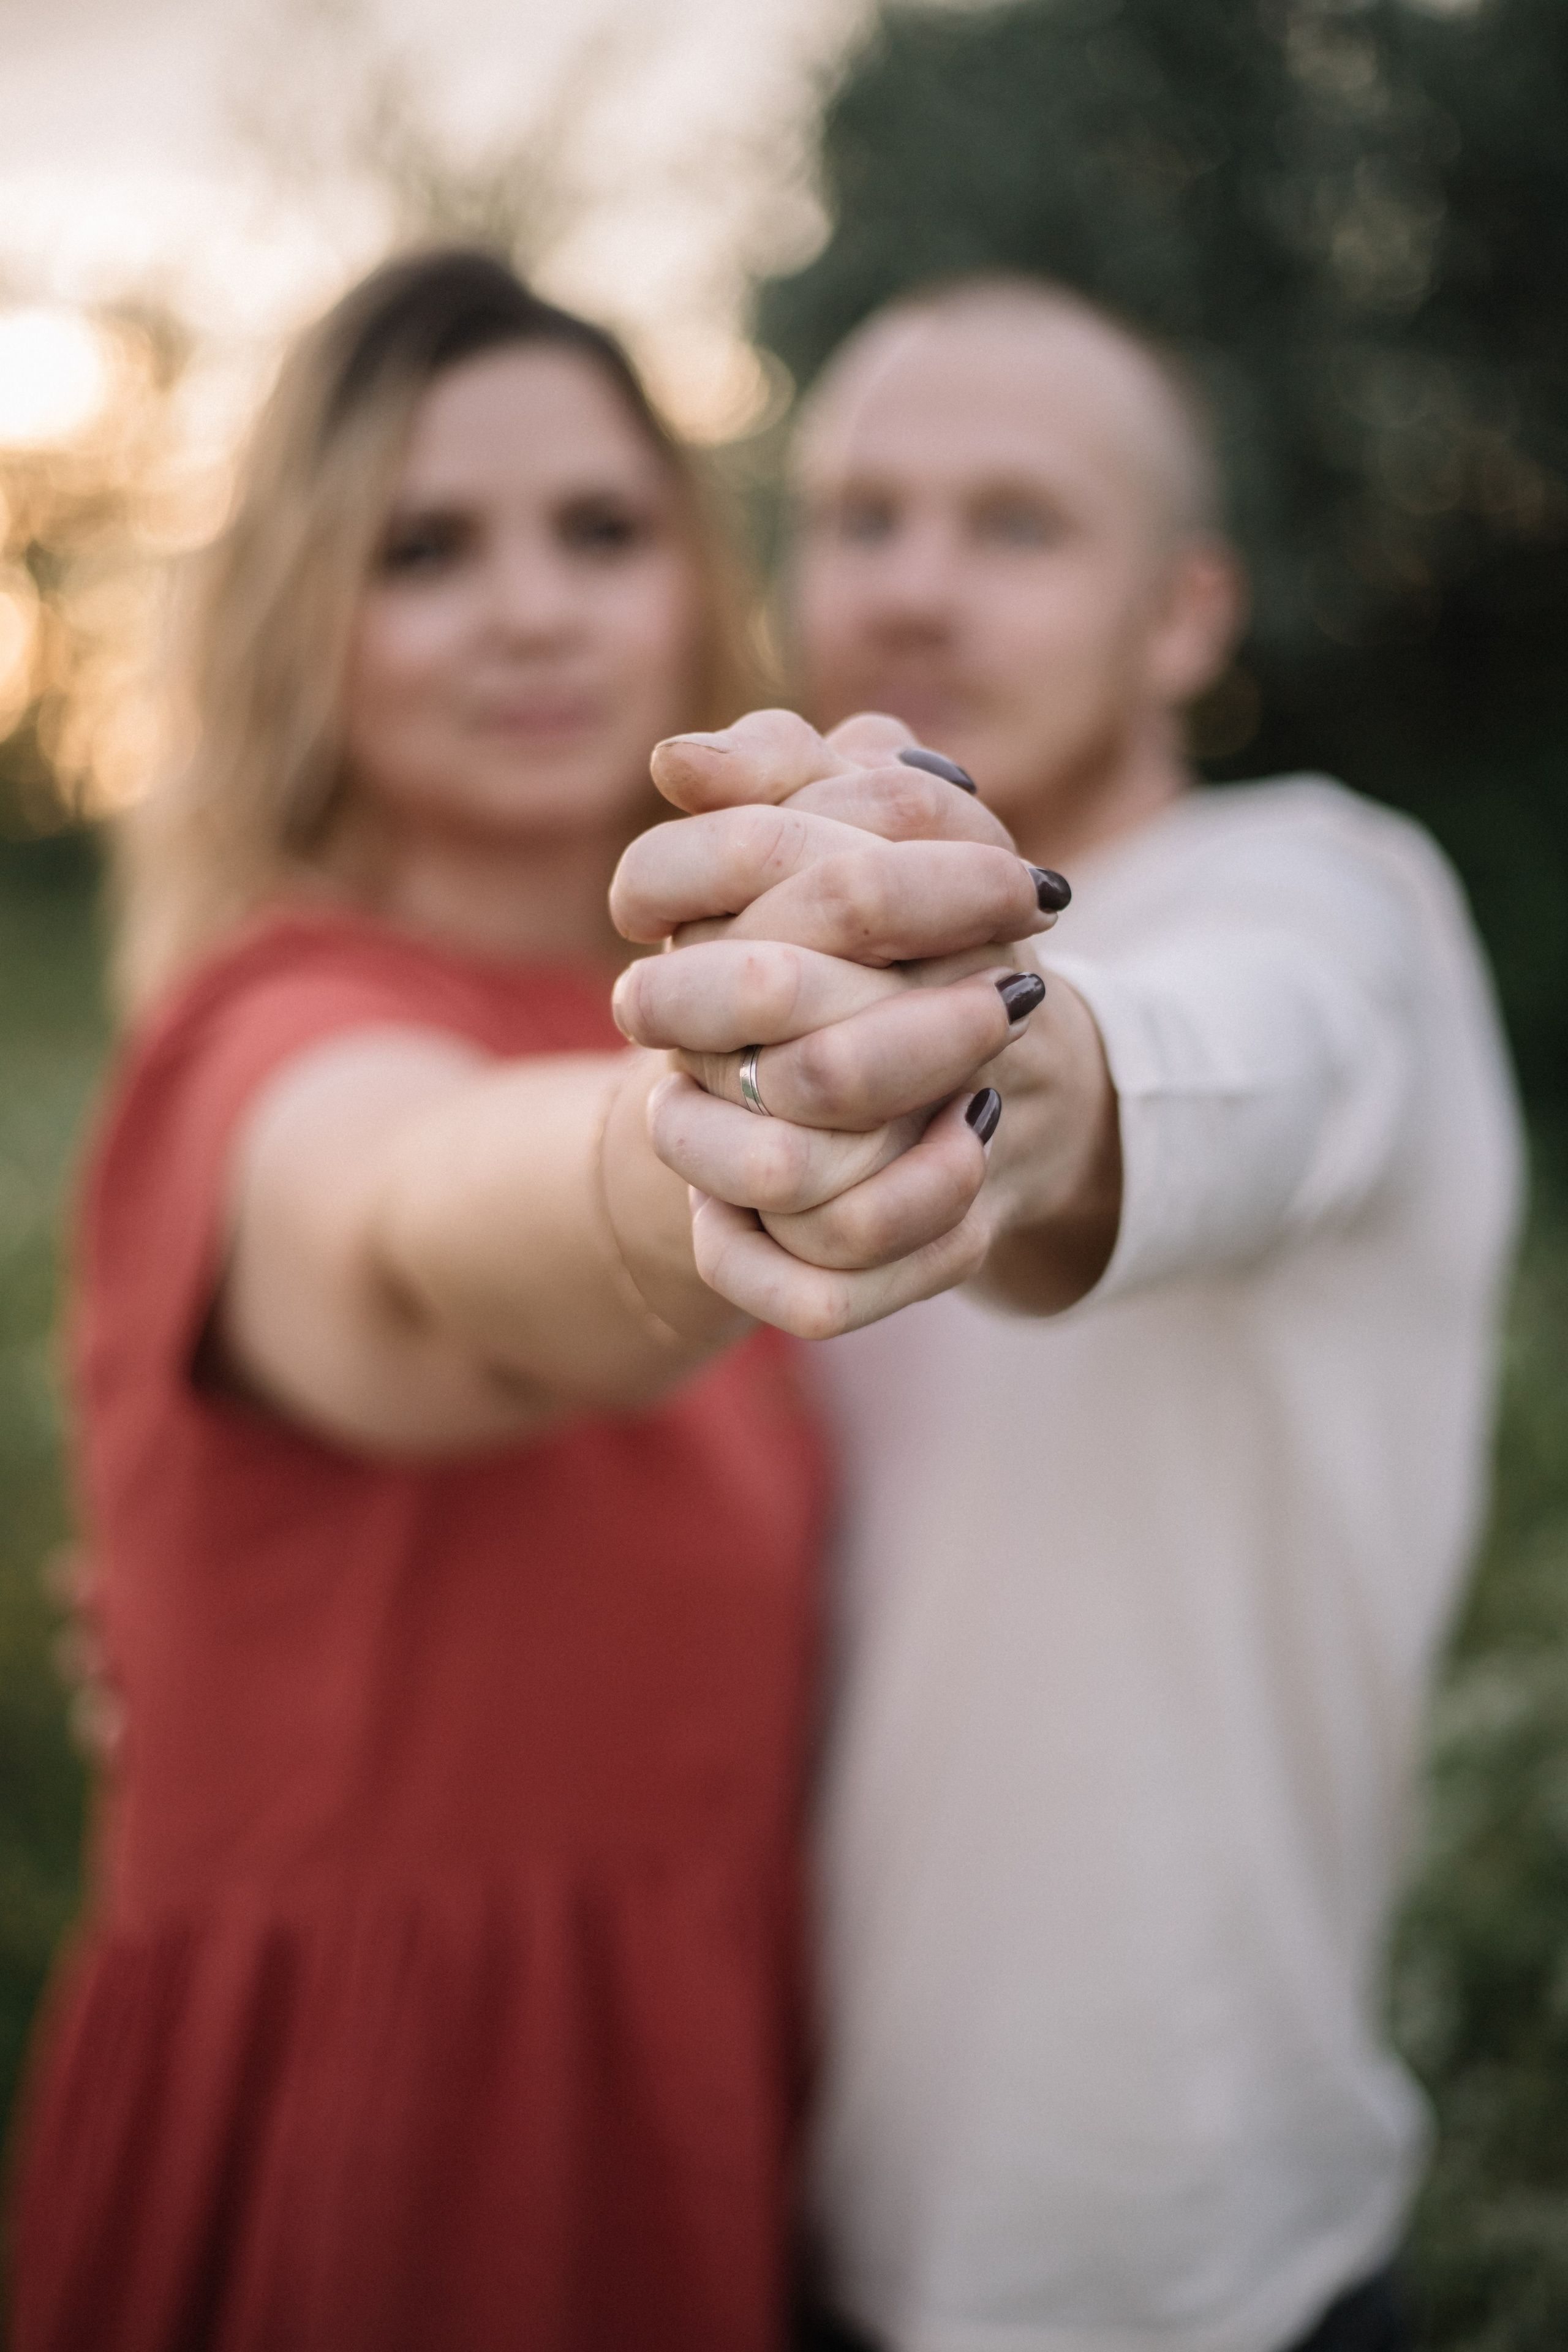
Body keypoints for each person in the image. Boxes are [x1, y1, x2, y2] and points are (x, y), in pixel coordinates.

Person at [7, 251, 1065, 2352]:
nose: (528, 608)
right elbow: (417, 1221)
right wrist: (732, 1096)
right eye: (424, 549)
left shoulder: (615, 1000)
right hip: (375, 2168)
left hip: (702, 2124)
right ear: (303, 619)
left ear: (691, 578)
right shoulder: (263, 1042)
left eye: (599, 529)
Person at [630, 279, 1524, 2352]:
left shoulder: (1334, 895)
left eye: (1015, 525)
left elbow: (1236, 1066)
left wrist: (1007, 1079)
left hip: (1179, 2264)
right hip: (752, 2222)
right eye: (860, 517)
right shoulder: (750, 984)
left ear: (1190, 612)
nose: (917, 586)